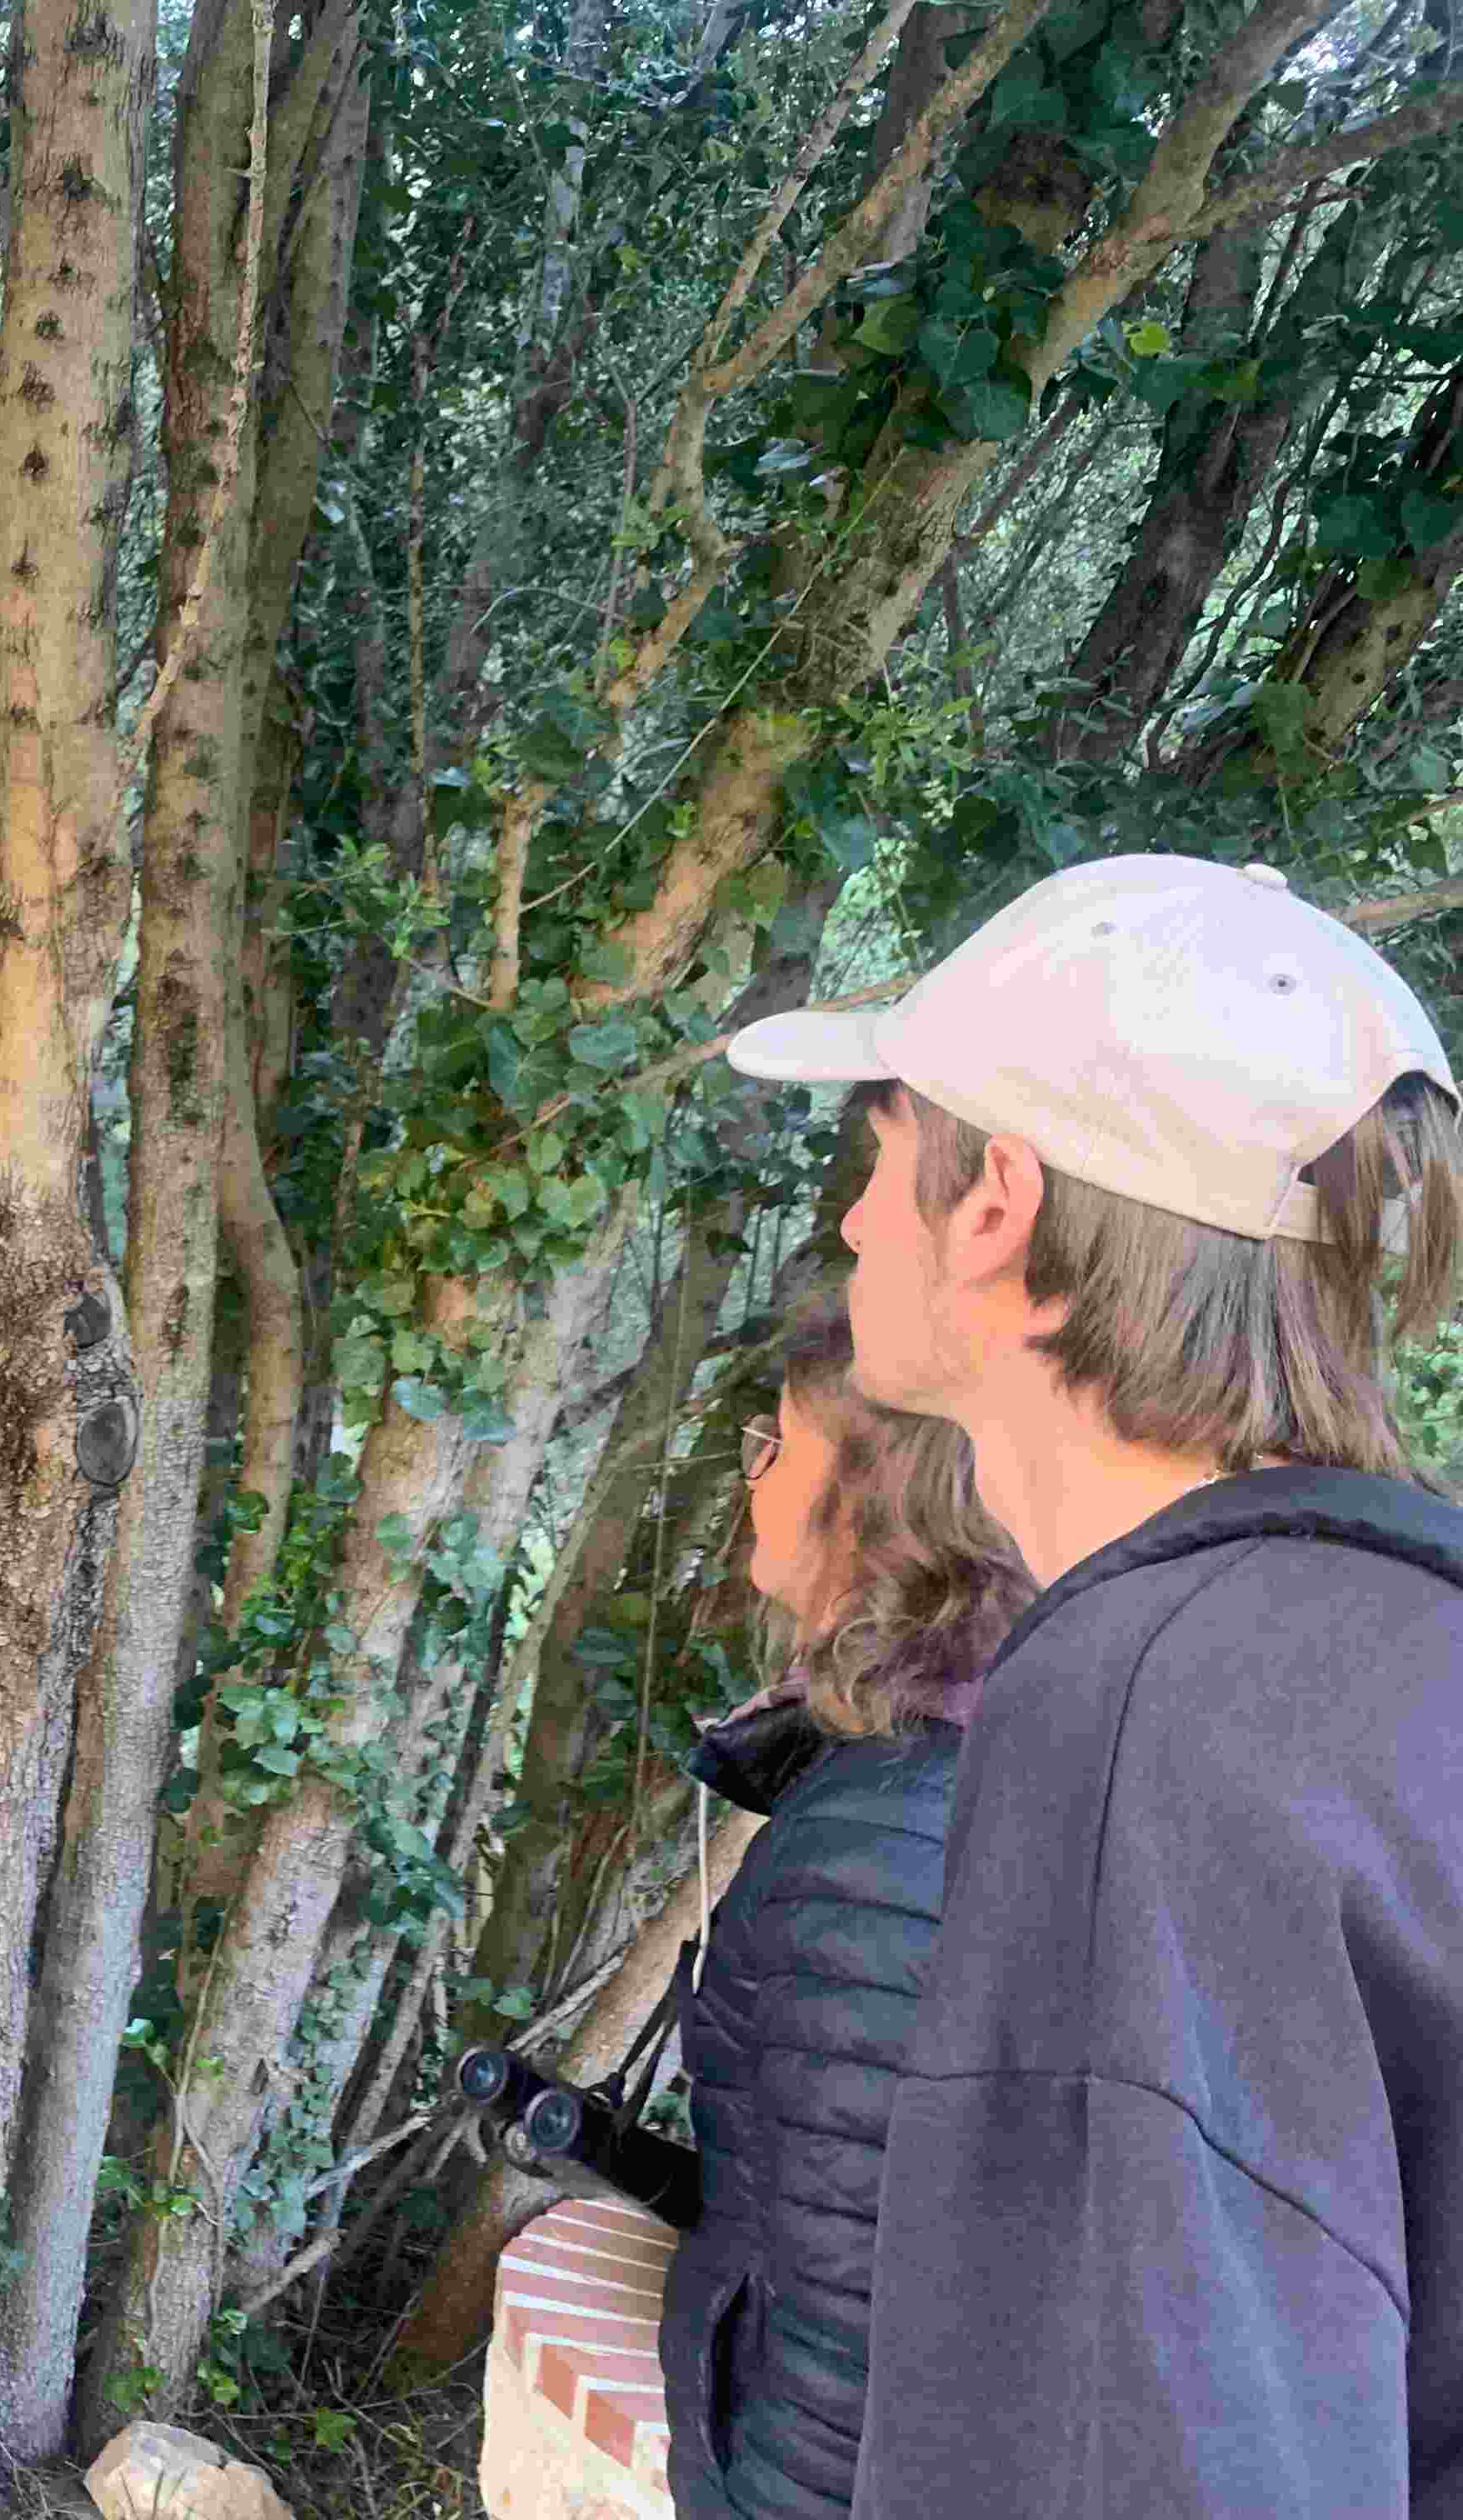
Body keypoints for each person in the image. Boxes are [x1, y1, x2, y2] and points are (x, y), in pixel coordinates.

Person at [725, 853, 1463, 2518]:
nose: (850, 1218)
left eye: (879, 1153)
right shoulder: (1400, 1658)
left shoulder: (1136, 1726)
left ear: (994, 1202)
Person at [661, 1284, 1032, 2520]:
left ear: (875, 1503)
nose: (752, 1476)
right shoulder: (937, 1769)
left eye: (777, 1444)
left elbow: (851, 2357)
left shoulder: (893, 1838)